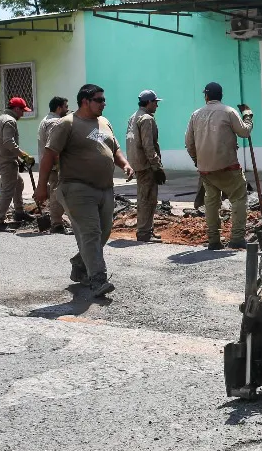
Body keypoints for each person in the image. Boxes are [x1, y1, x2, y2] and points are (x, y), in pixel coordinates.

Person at [35, 84, 134, 297]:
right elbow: (49, 156)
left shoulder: (104, 122)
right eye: (99, 100)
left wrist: (125, 164)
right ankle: (97, 279)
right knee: (90, 232)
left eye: (103, 100)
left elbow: (114, 149)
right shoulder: (67, 124)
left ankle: (80, 265)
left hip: (105, 188)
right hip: (76, 188)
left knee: (104, 232)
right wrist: (41, 187)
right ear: (85, 101)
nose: (104, 103)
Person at [184, 81, 254, 251]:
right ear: (220, 96)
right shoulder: (229, 111)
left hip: (206, 169)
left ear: (206, 96)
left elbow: (188, 142)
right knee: (238, 197)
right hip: (228, 166)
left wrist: (197, 160)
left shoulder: (196, 115)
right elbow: (244, 132)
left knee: (211, 202)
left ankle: (214, 240)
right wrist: (248, 117)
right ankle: (237, 238)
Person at [0, 97, 36, 232]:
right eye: (22, 111)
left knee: (18, 183)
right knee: (8, 189)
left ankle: (19, 212)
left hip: (0, 157)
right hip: (5, 160)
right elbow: (8, 142)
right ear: (16, 109)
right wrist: (24, 156)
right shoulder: (10, 121)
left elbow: (0, 142)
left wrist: (19, 159)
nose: (23, 114)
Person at [126, 90, 166, 243]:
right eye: (155, 102)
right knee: (147, 199)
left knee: (144, 197)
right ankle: (144, 233)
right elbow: (148, 146)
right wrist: (157, 166)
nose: (157, 105)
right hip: (147, 165)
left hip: (137, 164)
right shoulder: (146, 119)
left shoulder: (133, 117)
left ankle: (146, 230)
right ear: (148, 102)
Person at [37, 96, 70, 233]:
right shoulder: (55, 122)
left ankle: (57, 220)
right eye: (66, 107)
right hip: (55, 165)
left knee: (55, 191)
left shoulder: (45, 120)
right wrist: (58, 163)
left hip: (49, 164)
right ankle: (57, 224)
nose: (67, 109)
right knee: (57, 192)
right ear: (59, 108)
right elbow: (54, 146)